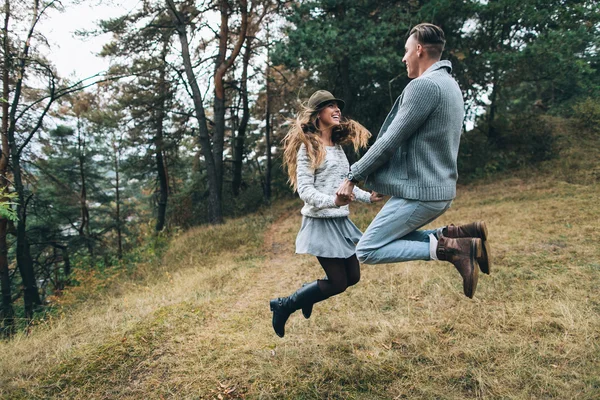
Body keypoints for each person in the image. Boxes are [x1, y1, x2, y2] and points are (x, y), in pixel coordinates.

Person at [336, 23, 491, 299]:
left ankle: (454, 248)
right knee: (390, 237)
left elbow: (389, 142)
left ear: (419, 49)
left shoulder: (424, 86)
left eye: (406, 51)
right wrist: (390, 182)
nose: (404, 58)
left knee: (367, 249)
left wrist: (353, 176)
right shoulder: (449, 85)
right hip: (437, 188)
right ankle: (455, 233)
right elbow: (422, 146)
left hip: (423, 192)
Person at [269, 90, 384, 338]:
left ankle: (308, 293)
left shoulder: (337, 148)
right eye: (330, 106)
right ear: (317, 114)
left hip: (340, 221)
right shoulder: (308, 148)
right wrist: (333, 201)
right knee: (338, 283)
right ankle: (284, 305)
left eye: (337, 105)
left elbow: (345, 184)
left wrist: (368, 197)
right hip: (320, 223)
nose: (337, 109)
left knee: (352, 277)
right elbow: (306, 191)